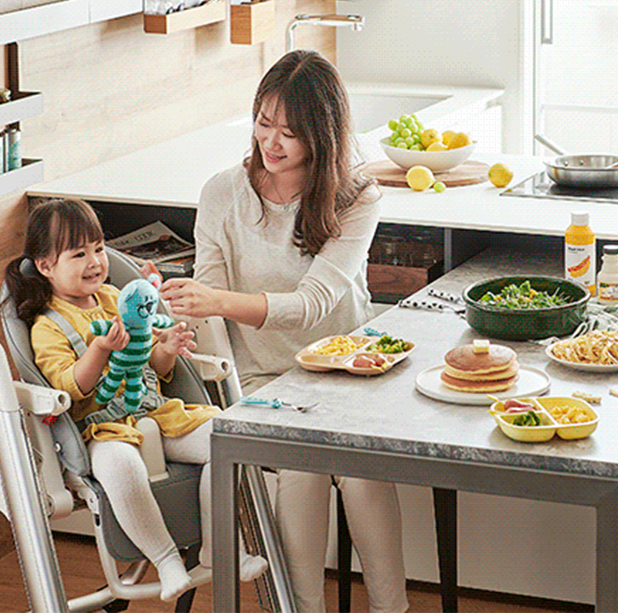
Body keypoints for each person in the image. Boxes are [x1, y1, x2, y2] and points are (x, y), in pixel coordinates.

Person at [161, 50, 408, 613]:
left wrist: (217, 300)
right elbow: (207, 315)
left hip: (347, 369)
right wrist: (219, 380)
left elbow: (314, 304)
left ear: (321, 137)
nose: (271, 143)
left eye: (289, 133)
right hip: (265, 378)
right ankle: (302, 609)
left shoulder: (357, 196)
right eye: (263, 123)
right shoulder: (222, 192)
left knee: (362, 469)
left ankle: (392, 608)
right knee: (302, 465)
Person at [4, 198, 267, 603]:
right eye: (79, 254)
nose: (94, 261)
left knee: (228, 439)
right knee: (119, 469)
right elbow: (71, 387)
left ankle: (218, 547)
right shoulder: (47, 325)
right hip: (103, 428)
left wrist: (168, 348)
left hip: (159, 414)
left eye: (97, 248)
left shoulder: (117, 298)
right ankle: (165, 559)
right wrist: (99, 350)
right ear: (45, 266)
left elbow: (153, 368)